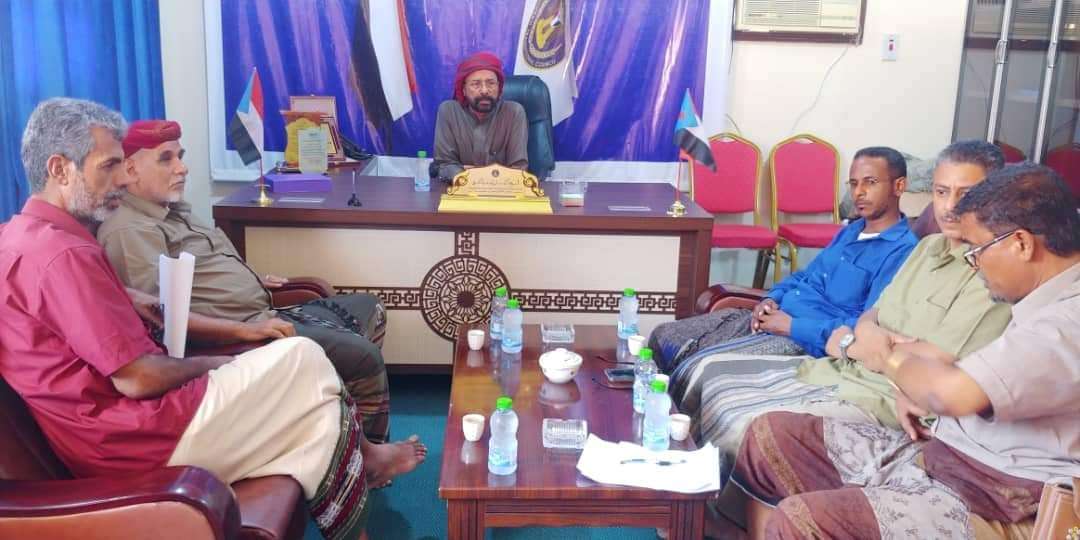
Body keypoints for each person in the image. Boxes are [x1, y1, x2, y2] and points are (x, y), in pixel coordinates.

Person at [0, 98, 424, 540]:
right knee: (302, 356)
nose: (120, 179)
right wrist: (218, 364)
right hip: (133, 438)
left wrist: (123, 295)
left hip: (117, 430)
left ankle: (359, 504)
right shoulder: (65, 255)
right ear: (60, 169)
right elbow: (137, 379)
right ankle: (365, 462)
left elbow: (57, 312)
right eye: (108, 166)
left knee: (315, 415)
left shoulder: (21, 236)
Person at [729, 163, 1080, 539]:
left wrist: (888, 359)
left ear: (1021, 244)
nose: (974, 264)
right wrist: (911, 385)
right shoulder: (1041, 298)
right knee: (771, 436)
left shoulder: (1067, 323)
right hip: (945, 456)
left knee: (802, 520)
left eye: (978, 250)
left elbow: (951, 392)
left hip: (995, 498)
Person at [690, 140, 1012, 534]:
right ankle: (706, 518)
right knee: (720, 388)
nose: (950, 206)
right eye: (942, 192)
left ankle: (720, 523)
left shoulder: (993, 272)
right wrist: (868, 337)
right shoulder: (928, 248)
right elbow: (870, 317)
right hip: (843, 368)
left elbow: (936, 360)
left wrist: (868, 344)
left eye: (967, 193)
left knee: (751, 422)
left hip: (883, 397)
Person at [97, 119, 393, 445]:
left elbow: (207, 269)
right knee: (363, 357)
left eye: (180, 156)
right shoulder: (129, 230)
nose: (182, 168)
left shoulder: (172, 210)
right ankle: (366, 455)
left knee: (369, 308)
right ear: (130, 169)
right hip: (237, 337)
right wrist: (244, 330)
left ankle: (335, 424)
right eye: (166, 159)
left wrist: (255, 281)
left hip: (264, 313)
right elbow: (163, 322)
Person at [649, 146, 919, 386]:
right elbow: (804, 277)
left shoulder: (903, 252)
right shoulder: (850, 231)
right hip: (775, 317)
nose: (859, 192)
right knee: (665, 336)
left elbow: (866, 325)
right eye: (854, 183)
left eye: (870, 182)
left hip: (803, 342)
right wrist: (770, 299)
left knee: (696, 369)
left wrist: (792, 326)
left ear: (899, 186)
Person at [433, 51, 528, 181]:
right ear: (464, 90)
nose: (484, 90)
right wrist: (492, 173)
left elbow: (518, 170)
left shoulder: (514, 112)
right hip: (460, 190)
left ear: (499, 88)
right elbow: (444, 166)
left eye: (491, 83)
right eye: (476, 84)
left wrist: (469, 172)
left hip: (503, 191)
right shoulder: (449, 111)